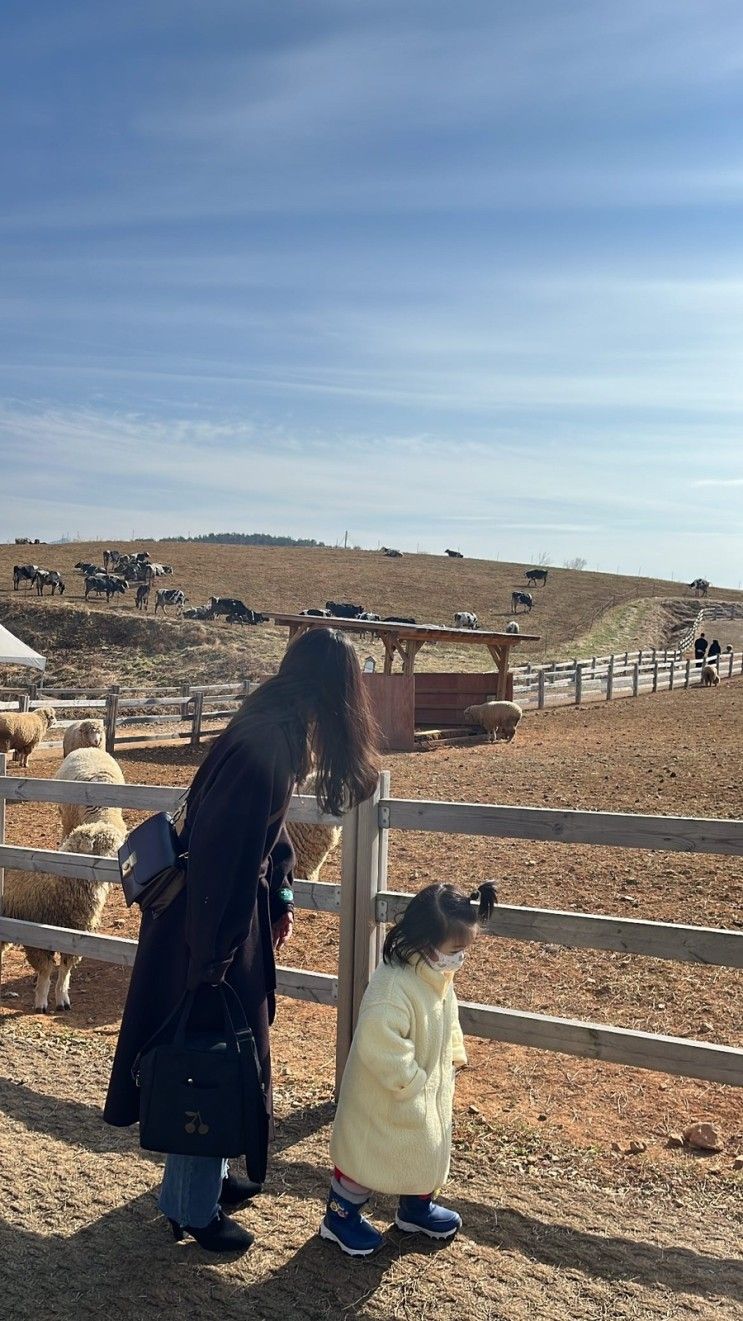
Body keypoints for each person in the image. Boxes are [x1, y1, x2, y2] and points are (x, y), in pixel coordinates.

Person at [104, 628, 379, 1253]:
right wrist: (215, 959)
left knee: (225, 1052)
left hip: (217, 923)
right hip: (210, 928)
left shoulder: (268, 729)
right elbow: (225, 859)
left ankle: (206, 1176)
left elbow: (265, 838)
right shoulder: (270, 745)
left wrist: (279, 892)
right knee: (211, 1057)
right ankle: (189, 1205)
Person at [320, 881, 496, 1256]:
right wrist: (414, 1081)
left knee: (423, 1150)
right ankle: (340, 1217)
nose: (459, 959)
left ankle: (415, 1209)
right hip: (385, 1097)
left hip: (423, 1089)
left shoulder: (435, 976)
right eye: (455, 951)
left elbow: (447, 1018)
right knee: (364, 1158)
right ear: (425, 943)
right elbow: (378, 1043)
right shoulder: (392, 988)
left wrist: (452, 1054)